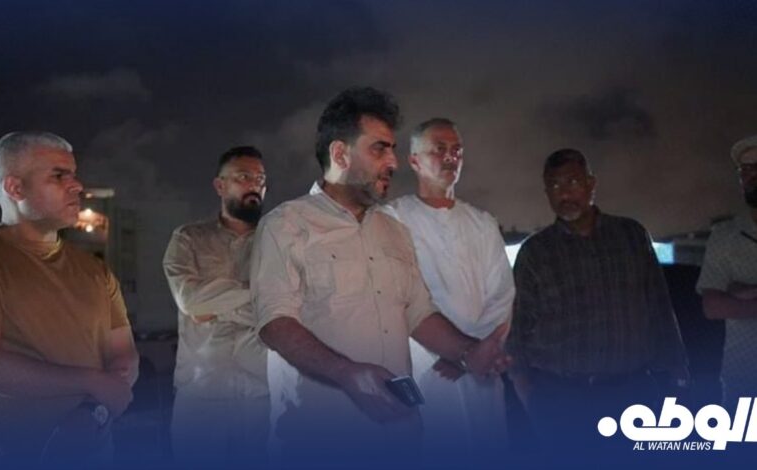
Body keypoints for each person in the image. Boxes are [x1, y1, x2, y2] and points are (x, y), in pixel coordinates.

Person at [250, 87, 509, 464]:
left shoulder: (394, 231)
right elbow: (274, 322)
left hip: (400, 436)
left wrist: (468, 352)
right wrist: (346, 373)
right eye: (379, 149)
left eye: (393, 149)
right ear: (340, 154)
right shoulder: (286, 225)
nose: (393, 162)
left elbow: (419, 312)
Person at [507, 148, 688, 447]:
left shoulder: (630, 236)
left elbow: (658, 304)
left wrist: (677, 372)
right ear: (546, 193)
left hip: (631, 392)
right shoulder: (536, 252)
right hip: (562, 398)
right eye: (554, 185)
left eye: (572, 182)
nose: (564, 193)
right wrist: (529, 395)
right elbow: (517, 327)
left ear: (591, 184)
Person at [0, 131, 137, 462]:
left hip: (94, 453)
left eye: (74, 174)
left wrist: (93, 409)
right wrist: (91, 381)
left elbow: (123, 354)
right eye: (59, 176)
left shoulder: (96, 270)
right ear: (15, 188)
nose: (76, 185)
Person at [385, 118, 514, 452]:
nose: (450, 157)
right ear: (414, 160)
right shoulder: (392, 219)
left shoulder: (483, 223)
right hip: (427, 371)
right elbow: (399, 296)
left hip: (480, 370)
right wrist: (455, 352)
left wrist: (475, 353)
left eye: (456, 150)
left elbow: (502, 296)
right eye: (439, 149)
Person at [163, 146, 269, 465]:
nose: (254, 185)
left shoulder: (278, 241)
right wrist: (256, 294)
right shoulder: (188, 239)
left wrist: (217, 305)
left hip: (262, 396)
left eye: (260, 179)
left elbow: (285, 304)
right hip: (201, 396)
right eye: (244, 177)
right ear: (220, 186)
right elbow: (192, 301)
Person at [697, 135, 757, 409]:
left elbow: (723, 301)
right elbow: (713, 306)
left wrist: (740, 294)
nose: (752, 176)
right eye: (745, 170)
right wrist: (728, 297)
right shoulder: (725, 235)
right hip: (743, 382)